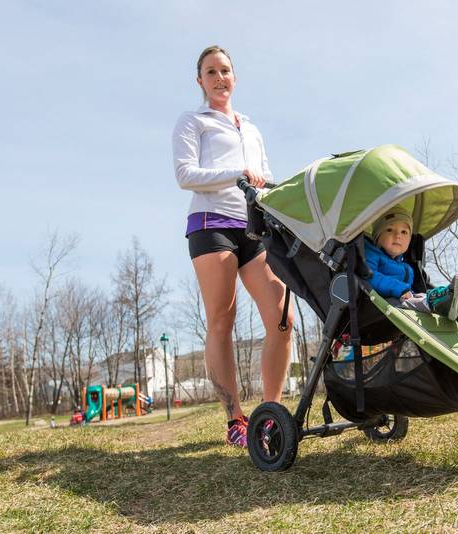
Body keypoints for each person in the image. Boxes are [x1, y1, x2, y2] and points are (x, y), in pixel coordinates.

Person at [172, 45, 292, 447]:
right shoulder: (194, 121)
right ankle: (235, 420)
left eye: (224, 70)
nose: (219, 78)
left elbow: (266, 176)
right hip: (211, 224)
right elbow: (185, 174)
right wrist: (236, 173)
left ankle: (269, 416)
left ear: (235, 77)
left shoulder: (251, 129)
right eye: (210, 72)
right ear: (200, 81)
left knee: (282, 317)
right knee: (222, 319)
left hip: (254, 227)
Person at [364, 206, 458, 327]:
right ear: (377, 236)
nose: (398, 235)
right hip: (383, 304)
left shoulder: (406, 266)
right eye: (389, 230)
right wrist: (399, 288)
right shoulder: (371, 254)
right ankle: (443, 303)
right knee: (418, 301)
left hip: (405, 298)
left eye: (404, 232)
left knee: (423, 295)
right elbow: (370, 276)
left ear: (409, 240)